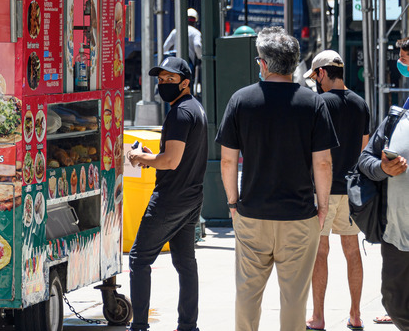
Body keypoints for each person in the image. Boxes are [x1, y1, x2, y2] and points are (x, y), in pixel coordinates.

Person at [216, 26, 338, 331]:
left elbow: (228, 160)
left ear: (264, 63)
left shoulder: (241, 100)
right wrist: (322, 207)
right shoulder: (312, 104)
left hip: (253, 214)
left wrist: (233, 203)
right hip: (298, 216)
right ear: (295, 63)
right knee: (295, 298)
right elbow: (323, 163)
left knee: (247, 293)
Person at [125, 56, 208, 331]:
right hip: (191, 198)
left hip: (170, 200)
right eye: (160, 79)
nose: (163, 84)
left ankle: (139, 326)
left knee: (139, 259)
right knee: (185, 262)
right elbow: (176, 158)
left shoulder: (180, 113)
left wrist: (140, 157)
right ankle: (188, 325)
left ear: (185, 82)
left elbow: (171, 161)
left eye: (170, 79)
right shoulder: (195, 108)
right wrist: (153, 157)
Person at [303, 50, 370, 331]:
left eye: (315, 76)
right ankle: (355, 315)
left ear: (321, 73)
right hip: (353, 188)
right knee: (352, 251)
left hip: (323, 188)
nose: (316, 83)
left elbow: (310, 149)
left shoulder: (318, 103)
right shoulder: (361, 104)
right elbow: (366, 148)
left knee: (321, 252)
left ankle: (318, 317)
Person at [357, 45, 409, 331]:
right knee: (394, 302)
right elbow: (365, 159)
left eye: (405, 61)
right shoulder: (397, 116)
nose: (402, 67)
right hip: (397, 234)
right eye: (402, 61)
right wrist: (382, 168)